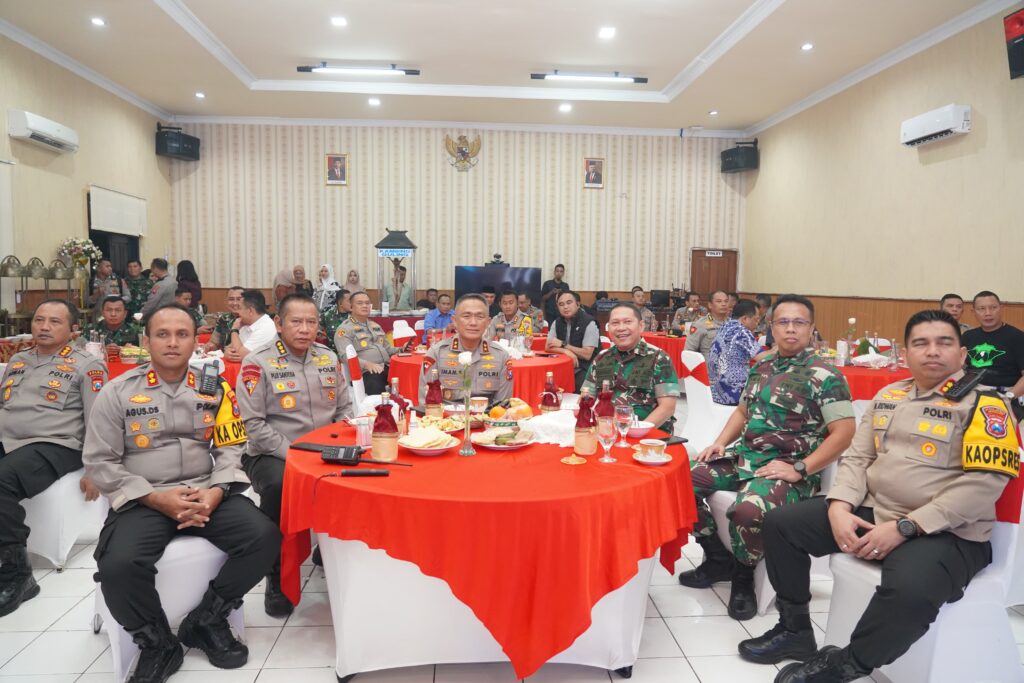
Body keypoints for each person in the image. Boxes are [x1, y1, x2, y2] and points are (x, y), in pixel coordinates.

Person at [739, 310, 1021, 682]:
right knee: (781, 524)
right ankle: (795, 631)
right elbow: (858, 457)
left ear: (963, 354)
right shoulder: (890, 395)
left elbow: (984, 485)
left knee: (912, 590)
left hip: (950, 533)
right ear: (905, 353)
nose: (932, 351)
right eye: (921, 343)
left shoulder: (987, 406)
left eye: (944, 342)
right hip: (876, 513)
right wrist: (839, 506)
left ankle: (847, 664)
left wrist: (907, 527)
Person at [85, 304, 278, 681]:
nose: (172, 343)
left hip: (204, 491)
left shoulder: (214, 387)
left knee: (265, 536)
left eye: (182, 334)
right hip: (143, 498)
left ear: (195, 342)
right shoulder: (117, 392)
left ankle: (207, 619)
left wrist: (218, 490)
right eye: (162, 334)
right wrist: (154, 497)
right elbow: (100, 462)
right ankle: (158, 643)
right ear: (147, 341)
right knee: (118, 565)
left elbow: (231, 447)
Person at [679, 294, 856, 620]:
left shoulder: (826, 375)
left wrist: (800, 469)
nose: (791, 329)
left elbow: (844, 433)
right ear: (771, 327)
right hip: (745, 458)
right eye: (783, 322)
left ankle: (743, 575)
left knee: (747, 510)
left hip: (786, 468)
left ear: (812, 328)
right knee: (679, 482)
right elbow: (743, 411)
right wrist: (719, 443)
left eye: (799, 322)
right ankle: (717, 556)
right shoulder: (763, 364)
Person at [235, 294, 352, 616]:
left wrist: (334, 445)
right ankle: (277, 575)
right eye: (296, 322)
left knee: (363, 478)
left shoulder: (328, 358)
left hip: (324, 449)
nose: (304, 329)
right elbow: (254, 425)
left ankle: (328, 549)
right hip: (272, 453)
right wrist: (296, 455)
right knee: (279, 487)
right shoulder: (256, 363)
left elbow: (344, 409)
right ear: (279, 324)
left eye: (311, 322)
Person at [0, 300, 108, 617]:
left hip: (55, 444)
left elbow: (98, 421)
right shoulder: (18, 360)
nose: (44, 327)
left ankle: (18, 573)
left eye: (54, 322)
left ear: (73, 329)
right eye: (39, 320)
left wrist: (95, 468)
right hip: (8, 440)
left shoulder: (87, 366)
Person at [581, 303, 680, 433]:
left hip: (648, 436)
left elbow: (667, 408)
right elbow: (586, 397)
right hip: (607, 432)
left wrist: (637, 432)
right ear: (608, 328)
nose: (621, 328)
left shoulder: (659, 358)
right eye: (615, 323)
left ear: (641, 326)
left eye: (627, 322)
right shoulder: (601, 358)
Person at [418, 294, 513, 405]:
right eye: (466, 316)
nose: (473, 323)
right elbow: (427, 405)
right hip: (445, 420)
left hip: (487, 419)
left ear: (488, 322)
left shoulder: (501, 356)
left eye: (479, 317)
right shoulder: (436, 354)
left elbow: (502, 407)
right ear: (454, 321)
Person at [962, 290, 1024, 420]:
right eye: (981, 309)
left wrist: (1008, 397)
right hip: (971, 396)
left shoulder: (1018, 337)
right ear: (974, 312)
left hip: (1007, 398)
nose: (988, 313)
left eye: (993, 308)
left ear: (1001, 308)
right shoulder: (968, 337)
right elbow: (957, 369)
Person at [335, 291, 409, 395]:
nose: (365, 306)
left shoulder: (375, 326)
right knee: (376, 384)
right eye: (360, 303)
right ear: (351, 307)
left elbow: (388, 350)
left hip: (386, 367)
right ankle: (381, 410)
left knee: (409, 375)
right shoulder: (344, 329)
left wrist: (402, 349)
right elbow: (345, 356)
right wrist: (366, 364)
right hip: (365, 372)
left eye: (367, 303)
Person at [708, 299, 773, 406]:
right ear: (745, 319)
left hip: (715, 392)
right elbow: (766, 358)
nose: (757, 324)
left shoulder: (725, 326)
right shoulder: (742, 332)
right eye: (756, 320)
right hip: (735, 393)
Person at [546, 290, 600, 392]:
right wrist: (567, 352)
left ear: (578, 304)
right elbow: (548, 346)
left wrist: (563, 344)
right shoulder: (557, 322)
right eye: (561, 304)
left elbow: (587, 354)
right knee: (547, 382)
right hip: (564, 367)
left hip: (586, 369)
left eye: (569, 302)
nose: (565, 307)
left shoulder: (589, 322)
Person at [224, 290, 277, 363]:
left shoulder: (266, 327)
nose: (237, 312)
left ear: (250, 311)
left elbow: (240, 355)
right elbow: (231, 347)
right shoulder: (247, 323)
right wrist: (227, 352)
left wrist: (234, 330)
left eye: (239, 308)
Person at [684, 289, 731, 360]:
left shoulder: (732, 324)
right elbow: (688, 352)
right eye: (719, 301)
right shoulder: (700, 324)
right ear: (710, 305)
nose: (723, 304)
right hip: (709, 369)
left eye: (726, 301)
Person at [205, 286, 245, 353]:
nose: (235, 303)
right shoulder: (224, 319)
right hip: (226, 359)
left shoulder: (251, 320)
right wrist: (208, 347)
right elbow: (214, 342)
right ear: (226, 301)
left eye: (239, 299)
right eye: (231, 299)